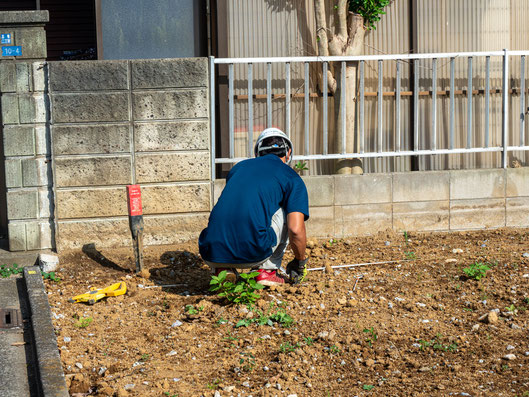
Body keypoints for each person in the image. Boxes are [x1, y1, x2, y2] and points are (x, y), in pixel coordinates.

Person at [198, 127, 309, 286]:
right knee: (289, 209)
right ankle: (266, 271)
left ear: (258, 153)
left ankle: (222, 269)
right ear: (288, 152)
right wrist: (300, 262)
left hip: (211, 251)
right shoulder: (291, 177)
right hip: (255, 250)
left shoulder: (237, 169)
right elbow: (296, 229)